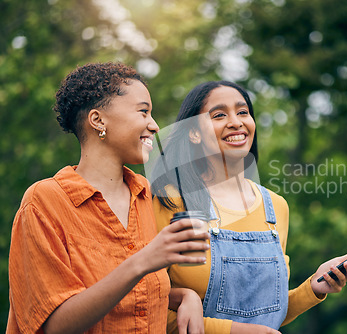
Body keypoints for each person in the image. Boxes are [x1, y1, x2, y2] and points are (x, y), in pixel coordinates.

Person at [7, 62, 209, 333]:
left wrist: (186, 296)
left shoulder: (147, 196)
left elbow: (136, 293)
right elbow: (53, 325)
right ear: (98, 120)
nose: (155, 125)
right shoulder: (44, 202)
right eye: (143, 112)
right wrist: (143, 261)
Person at [151, 81, 347, 334]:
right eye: (219, 115)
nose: (236, 122)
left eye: (243, 112)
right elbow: (147, 308)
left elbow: (267, 314)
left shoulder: (275, 207)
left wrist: (314, 288)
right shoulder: (170, 201)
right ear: (193, 133)